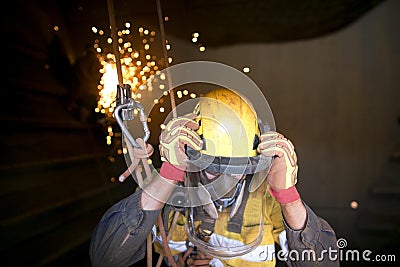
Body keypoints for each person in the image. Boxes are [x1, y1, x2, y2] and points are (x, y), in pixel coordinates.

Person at [89, 88, 339, 267]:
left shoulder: (265, 199)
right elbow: (106, 257)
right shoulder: (168, 195)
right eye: (213, 167)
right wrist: (168, 176)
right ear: (192, 151)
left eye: (236, 168)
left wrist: (288, 197)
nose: (225, 178)